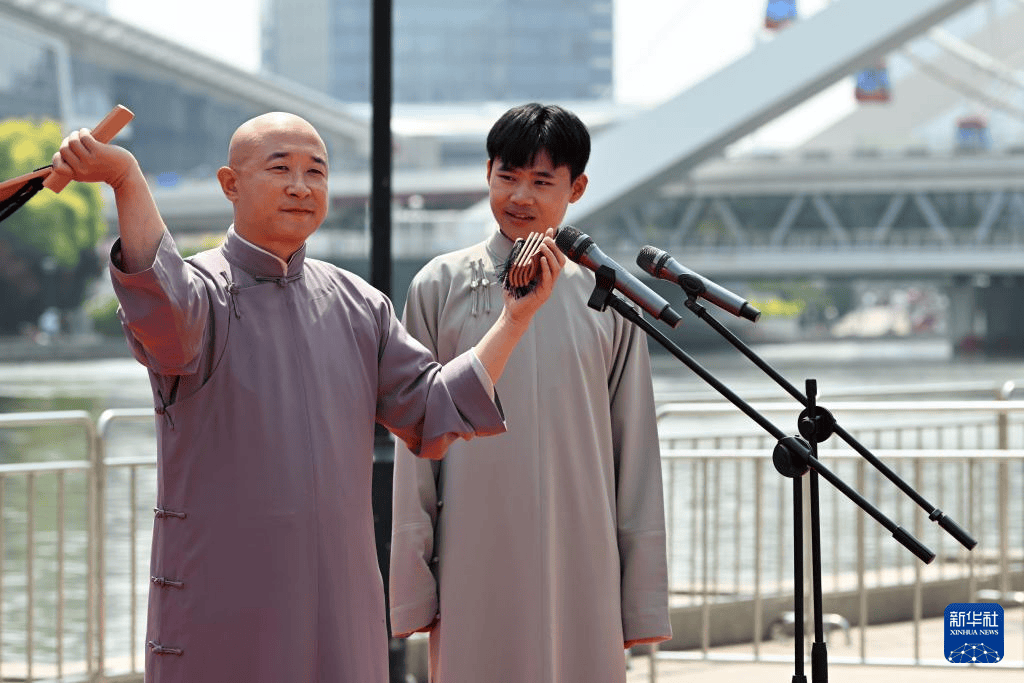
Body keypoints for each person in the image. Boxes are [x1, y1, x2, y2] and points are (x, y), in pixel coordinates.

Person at [49, 111, 564, 683]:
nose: (301, 185)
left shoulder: (359, 304)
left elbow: (431, 408)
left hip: (340, 605)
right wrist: (127, 179)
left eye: (316, 171)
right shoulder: (200, 294)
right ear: (230, 184)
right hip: (227, 599)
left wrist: (515, 319)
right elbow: (161, 309)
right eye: (281, 168)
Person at [389, 103, 671, 682]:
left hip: (582, 553)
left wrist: (640, 596)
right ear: (487, 174)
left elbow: (635, 451)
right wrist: (413, 586)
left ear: (577, 188)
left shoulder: (608, 298)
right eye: (507, 177)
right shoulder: (437, 286)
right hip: (470, 549)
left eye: (542, 181)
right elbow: (412, 446)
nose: (520, 196)